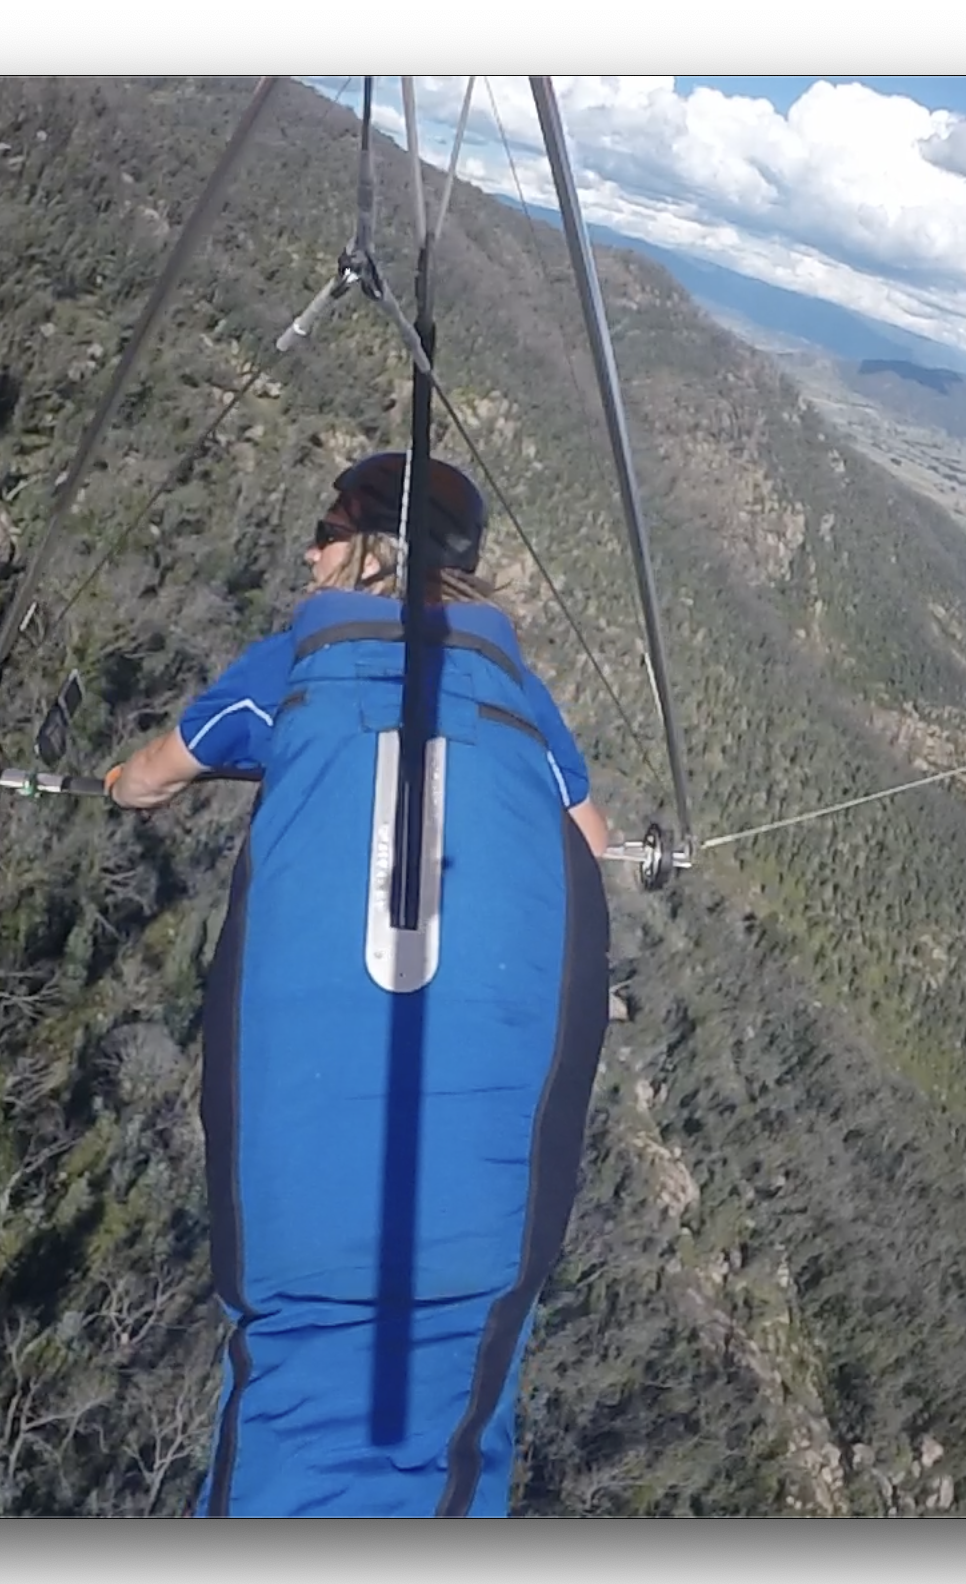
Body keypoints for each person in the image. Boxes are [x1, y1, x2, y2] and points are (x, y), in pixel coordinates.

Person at [105, 452, 612, 1516]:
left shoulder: (302, 662)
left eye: (329, 532)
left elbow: (149, 779)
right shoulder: (521, 690)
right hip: (501, 1085)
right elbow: (588, 840)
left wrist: (118, 782)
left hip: (325, 1094)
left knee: (309, 1365)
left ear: (377, 552)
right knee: (457, 1388)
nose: (311, 552)